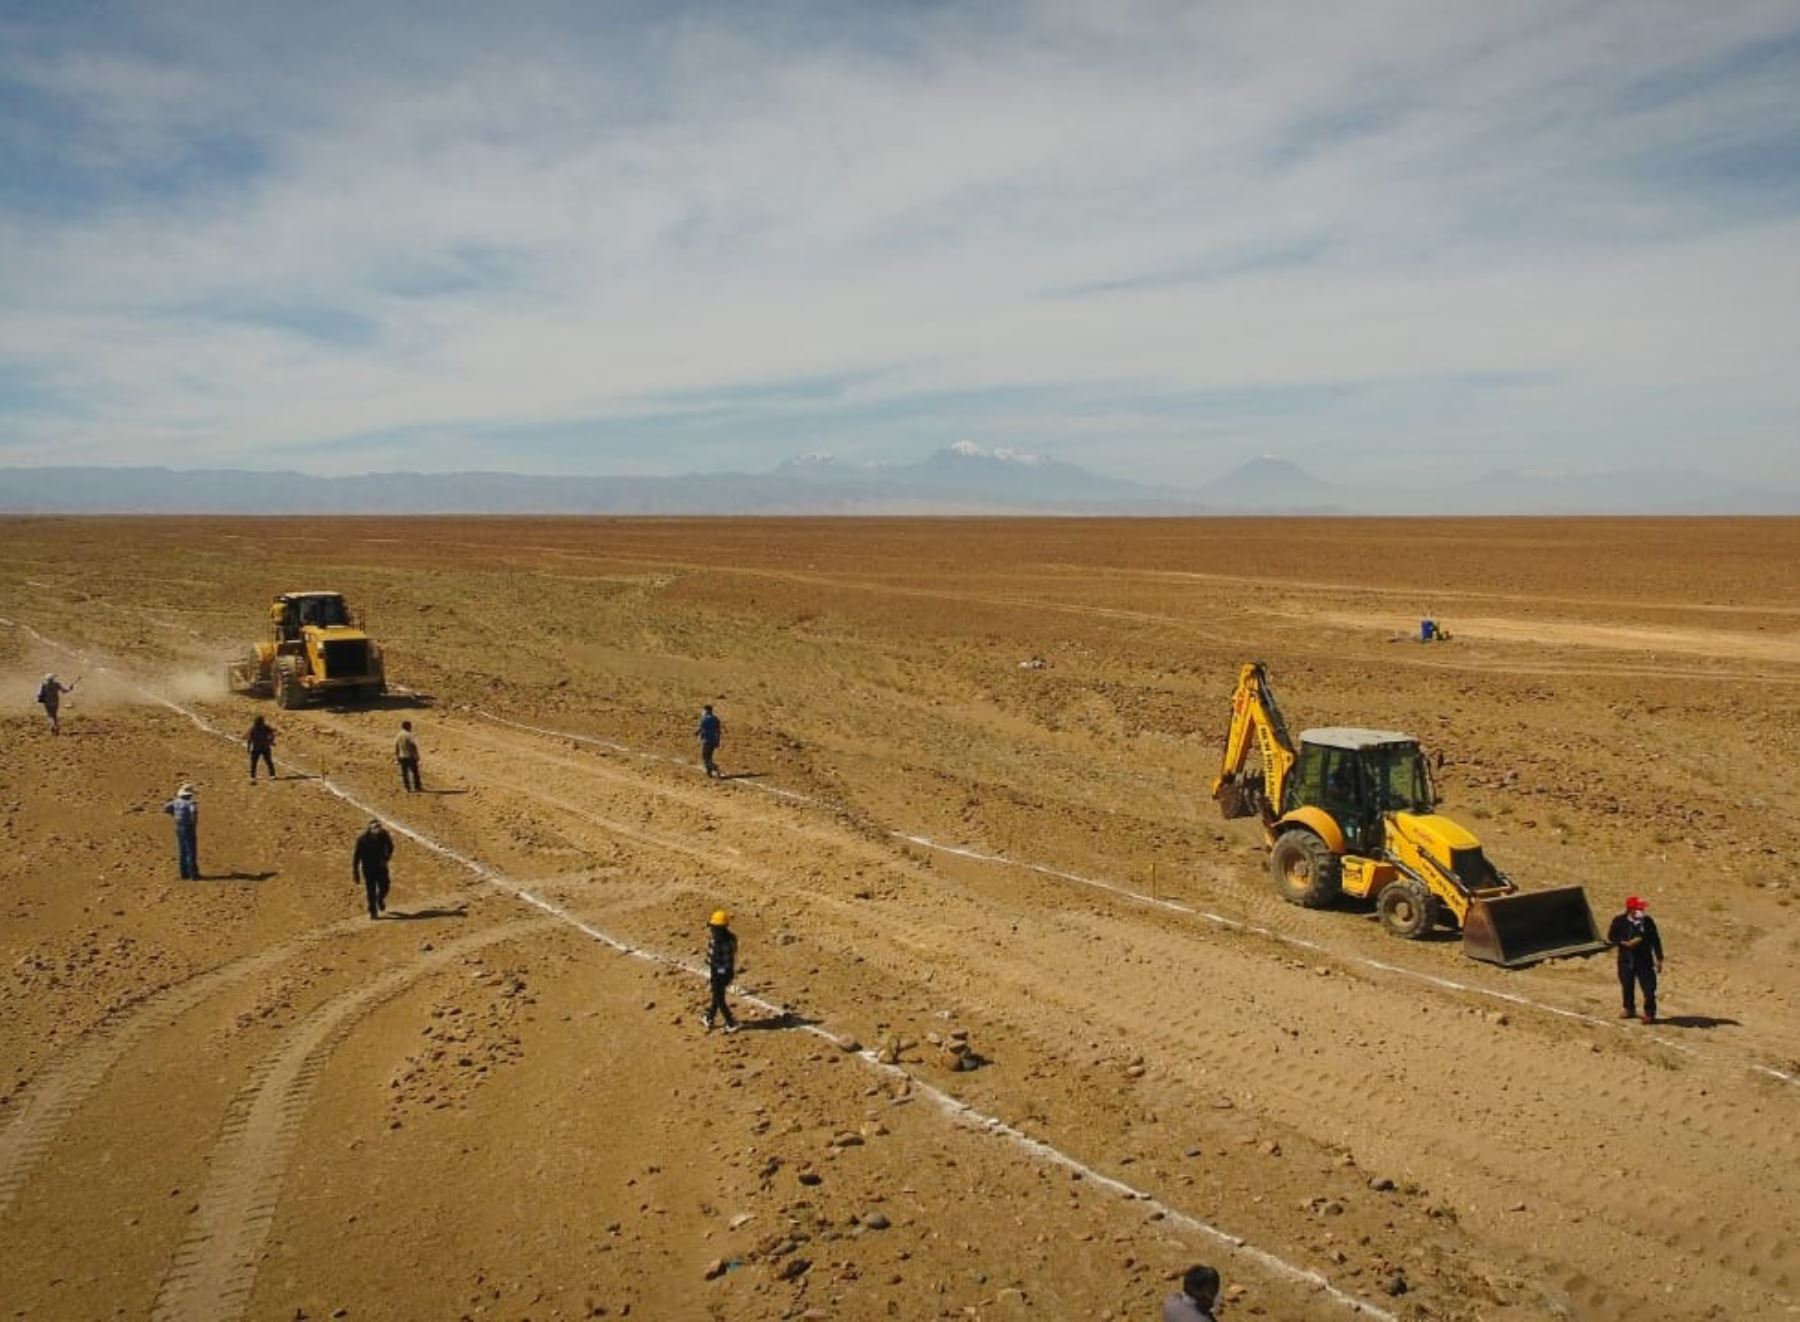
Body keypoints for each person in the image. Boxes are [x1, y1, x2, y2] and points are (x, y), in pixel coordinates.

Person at [1607, 895, 1664, 1023]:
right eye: (1638, 909)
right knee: (1627, 985)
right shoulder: (1619, 921)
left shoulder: (1648, 922)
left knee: (1649, 989)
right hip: (1626, 960)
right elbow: (1611, 936)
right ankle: (1629, 1008)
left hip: (1644, 961)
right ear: (1630, 909)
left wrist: (1659, 958)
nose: (1641, 911)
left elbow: (1656, 940)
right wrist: (1623, 943)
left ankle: (1649, 1013)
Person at [703, 909, 739, 1032]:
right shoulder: (732, 938)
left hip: (718, 974)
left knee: (719, 999)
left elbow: (712, 961)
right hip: (728, 972)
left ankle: (731, 1022)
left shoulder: (716, 943)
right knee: (717, 995)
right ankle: (709, 1017)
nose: (711, 930)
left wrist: (714, 977)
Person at [353, 819, 395, 919]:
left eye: (379, 827)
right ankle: (373, 911)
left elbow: (391, 846)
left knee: (385, 886)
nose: (377, 830)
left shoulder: (384, 835)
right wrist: (356, 872)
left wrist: (386, 858)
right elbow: (356, 856)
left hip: (381, 866)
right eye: (375, 828)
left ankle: (379, 899)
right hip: (368, 869)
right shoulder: (362, 840)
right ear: (370, 829)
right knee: (370, 890)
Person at [163, 783, 200, 880]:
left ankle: (184, 873)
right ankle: (193, 874)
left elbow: (165, 808)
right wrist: (194, 823)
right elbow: (193, 813)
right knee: (191, 850)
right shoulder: (190, 803)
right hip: (188, 827)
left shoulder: (175, 802)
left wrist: (175, 815)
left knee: (182, 850)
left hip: (179, 826)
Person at [245, 715, 277, 782]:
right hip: (264, 747)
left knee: (254, 763)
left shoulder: (253, 729)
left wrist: (248, 748)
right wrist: (271, 741)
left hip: (258, 748)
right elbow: (272, 733)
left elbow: (249, 740)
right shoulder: (264, 728)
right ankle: (272, 775)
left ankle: (253, 776)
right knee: (268, 761)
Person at [395, 720, 423, 792]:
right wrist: (417, 756)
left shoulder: (398, 735)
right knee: (415, 772)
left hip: (402, 756)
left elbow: (396, 746)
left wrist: (396, 757)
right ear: (407, 726)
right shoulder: (409, 735)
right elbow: (413, 746)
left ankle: (407, 788)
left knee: (405, 773)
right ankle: (417, 787)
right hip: (410, 756)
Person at [697, 704, 722, 778]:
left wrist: (698, 734)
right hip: (714, 741)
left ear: (706, 711)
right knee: (709, 757)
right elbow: (718, 731)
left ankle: (715, 768)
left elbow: (702, 729)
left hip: (707, 741)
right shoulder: (716, 719)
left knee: (705, 757)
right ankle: (709, 773)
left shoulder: (704, 719)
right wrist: (718, 741)